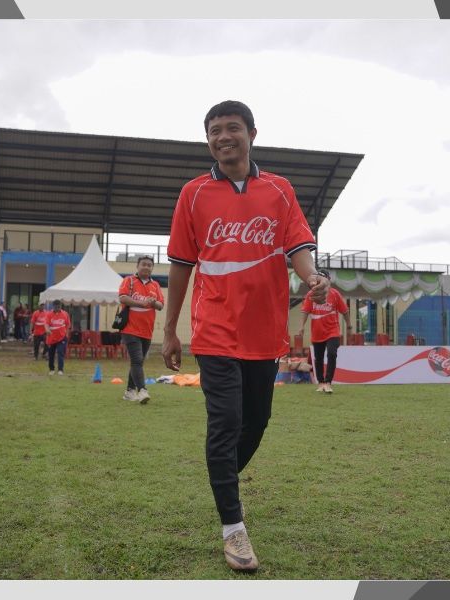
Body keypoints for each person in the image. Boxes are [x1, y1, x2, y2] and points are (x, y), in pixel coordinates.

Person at [161, 100, 329, 571]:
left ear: (252, 132)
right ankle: (233, 529)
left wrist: (312, 276)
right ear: (208, 140)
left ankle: (222, 482)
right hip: (214, 329)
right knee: (226, 422)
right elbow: (179, 266)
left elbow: (297, 247)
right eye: (214, 131)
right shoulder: (192, 194)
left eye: (231, 128)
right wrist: (171, 330)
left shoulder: (279, 190)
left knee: (256, 422)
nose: (222, 137)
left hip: (263, 331)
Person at [118, 255, 164, 404]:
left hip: (147, 330)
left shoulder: (155, 285)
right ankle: (142, 390)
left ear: (152, 268)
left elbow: (161, 305)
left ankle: (129, 391)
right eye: (143, 264)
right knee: (137, 360)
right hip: (130, 329)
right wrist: (142, 303)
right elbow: (123, 298)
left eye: (149, 265)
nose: (146, 267)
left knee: (138, 362)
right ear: (137, 266)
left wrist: (153, 302)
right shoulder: (129, 281)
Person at [298, 269, 351, 393]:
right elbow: (305, 310)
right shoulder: (311, 294)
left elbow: (345, 311)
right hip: (317, 332)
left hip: (333, 331)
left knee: (332, 354)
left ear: (328, 280)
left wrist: (349, 326)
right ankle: (321, 383)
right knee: (318, 358)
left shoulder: (334, 294)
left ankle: (328, 382)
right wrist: (301, 326)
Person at [45, 300, 71, 375]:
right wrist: (47, 330)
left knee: (60, 352)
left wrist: (66, 334)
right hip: (51, 338)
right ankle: (51, 369)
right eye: (56, 307)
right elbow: (46, 324)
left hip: (62, 337)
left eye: (59, 307)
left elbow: (68, 325)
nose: (58, 308)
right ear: (53, 306)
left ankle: (60, 369)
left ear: (61, 306)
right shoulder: (49, 314)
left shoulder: (65, 314)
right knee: (51, 354)